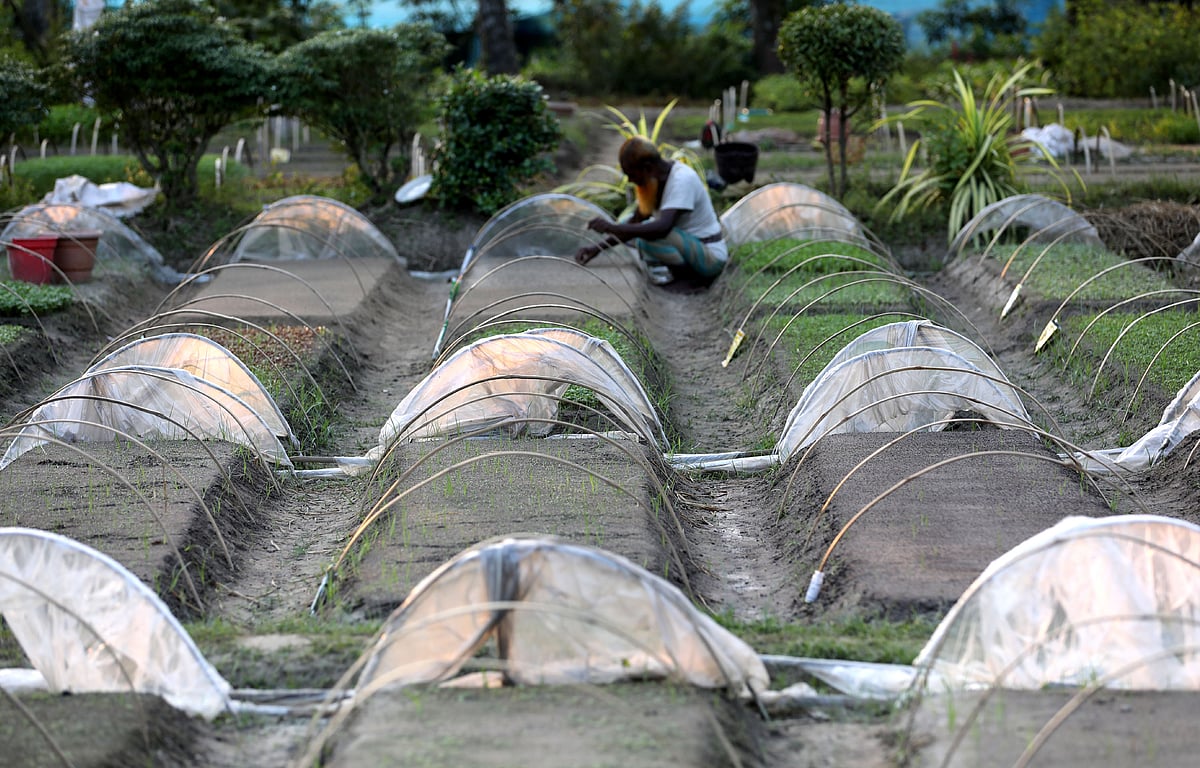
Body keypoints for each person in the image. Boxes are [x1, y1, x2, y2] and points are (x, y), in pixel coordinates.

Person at [574, 136, 727, 286]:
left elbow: (663, 228)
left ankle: (689, 280)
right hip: (689, 250)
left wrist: (611, 227)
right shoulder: (653, 181)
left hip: (710, 258)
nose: (630, 181)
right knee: (633, 225)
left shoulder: (682, 179)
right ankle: (676, 275)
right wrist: (597, 248)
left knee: (648, 232)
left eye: (632, 175)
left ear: (647, 167)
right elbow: (634, 222)